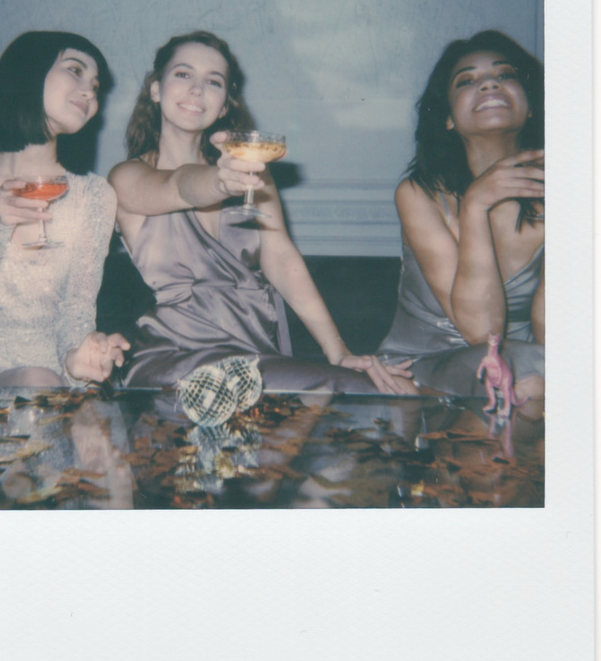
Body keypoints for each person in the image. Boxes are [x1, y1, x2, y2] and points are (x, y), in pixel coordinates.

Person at [108, 30, 412, 394]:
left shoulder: (251, 168)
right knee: (360, 392)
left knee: (396, 392)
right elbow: (177, 186)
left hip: (256, 352)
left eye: (214, 81)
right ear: (156, 90)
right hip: (177, 361)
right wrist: (220, 183)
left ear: (223, 106)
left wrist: (339, 352)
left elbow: (281, 257)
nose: (197, 89)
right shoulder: (126, 177)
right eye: (183, 74)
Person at [0, 30, 129, 389]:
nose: (90, 92)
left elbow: (77, 312)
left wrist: (79, 355)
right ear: (29, 71)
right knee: (35, 381)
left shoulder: (95, 196)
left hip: (60, 377)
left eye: (95, 85)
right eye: (75, 70)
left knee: (48, 386)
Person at [378, 30, 544, 401]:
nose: (489, 84)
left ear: (530, 105)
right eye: (467, 80)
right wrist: (474, 206)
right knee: (527, 377)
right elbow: (482, 335)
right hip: (420, 368)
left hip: (526, 372)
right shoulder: (419, 194)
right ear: (449, 118)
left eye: (505, 75)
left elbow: (554, 334)